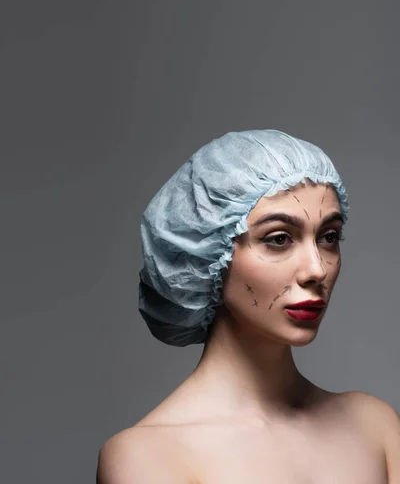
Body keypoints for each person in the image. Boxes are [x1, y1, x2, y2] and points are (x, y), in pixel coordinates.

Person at [96, 130, 400, 483]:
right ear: (210, 252)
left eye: (329, 237)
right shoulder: (146, 457)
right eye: (279, 239)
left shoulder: (375, 426)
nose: (317, 269)